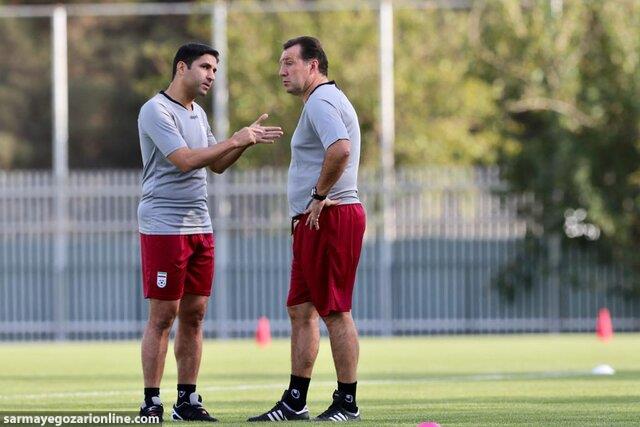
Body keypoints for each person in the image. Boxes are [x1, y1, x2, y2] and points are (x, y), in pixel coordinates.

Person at [137, 42, 282, 422]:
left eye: (215, 70)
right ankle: (151, 401)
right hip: (165, 227)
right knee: (163, 316)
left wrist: (243, 142)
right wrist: (232, 140)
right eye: (205, 67)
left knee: (196, 314)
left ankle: (187, 400)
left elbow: (214, 166)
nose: (211, 76)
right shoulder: (156, 110)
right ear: (181, 67)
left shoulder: (197, 113)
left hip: (200, 225)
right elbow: (184, 161)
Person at [248, 36, 366, 422]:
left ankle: (347, 402)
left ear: (312, 65)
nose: (282, 71)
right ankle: (295, 401)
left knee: (335, 311)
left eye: (289, 63)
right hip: (312, 219)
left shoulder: (322, 100)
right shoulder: (317, 102)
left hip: (330, 215)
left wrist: (318, 195)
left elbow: (341, 148)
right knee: (301, 310)